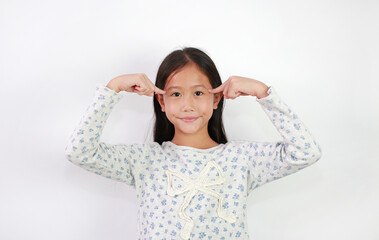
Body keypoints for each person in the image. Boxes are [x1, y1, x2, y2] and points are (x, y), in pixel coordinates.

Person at [65, 47, 322, 240]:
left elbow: (305, 152)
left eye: (198, 93)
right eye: (176, 94)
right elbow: (80, 152)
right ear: (162, 103)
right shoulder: (144, 160)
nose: (188, 104)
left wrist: (262, 92)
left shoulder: (241, 158)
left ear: (216, 99)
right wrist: (113, 88)